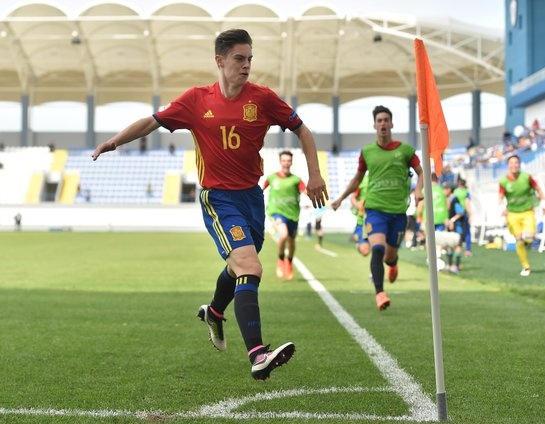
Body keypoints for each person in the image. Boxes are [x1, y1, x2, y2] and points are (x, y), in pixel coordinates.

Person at [92, 29, 328, 381]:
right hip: (218, 199)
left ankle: (216, 312)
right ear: (220, 61)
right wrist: (114, 141)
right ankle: (258, 354)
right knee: (251, 264)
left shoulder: (262, 99)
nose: (246, 66)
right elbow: (151, 122)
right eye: (239, 59)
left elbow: (303, 130)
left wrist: (315, 175)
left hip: (251, 198)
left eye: (249, 59)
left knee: (239, 267)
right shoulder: (195, 100)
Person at [331, 105, 423, 311]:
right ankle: (380, 293)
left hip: (398, 212)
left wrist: (418, 190)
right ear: (374, 125)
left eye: (386, 120)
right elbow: (357, 179)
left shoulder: (405, 150)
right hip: (374, 210)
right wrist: (341, 198)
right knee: (377, 249)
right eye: (379, 120)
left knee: (389, 255)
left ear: (392, 124)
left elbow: (421, 172)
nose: (382, 124)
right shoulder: (367, 152)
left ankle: (393, 263)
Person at [498, 155, 545, 277]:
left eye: (516, 163)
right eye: (511, 163)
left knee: (530, 237)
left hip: (527, 211)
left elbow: (538, 190)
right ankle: (526, 267)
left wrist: (544, 204)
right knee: (519, 239)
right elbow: (500, 197)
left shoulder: (526, 177)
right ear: (508, 165)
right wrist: (502, 208)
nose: (514, 165)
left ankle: (526, 243)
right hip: (512, 214)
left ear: (519, 164)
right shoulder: (503, 181)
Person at [263, 150, 306, 281]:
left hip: (293, 215)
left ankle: (289, 262)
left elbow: (306, 191)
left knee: (291, 242)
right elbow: (259, 190)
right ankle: (281, 260)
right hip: (276, 212)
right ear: (280, 162)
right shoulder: (271, 178)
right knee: (283, 234)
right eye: (284, 160)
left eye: (288, 161)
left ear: (291, 162)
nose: (286, 163)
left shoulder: (296, 180)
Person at [350, 173, 370, 256]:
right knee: (365, 249)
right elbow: (353, 197)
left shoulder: (382, 180)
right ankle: (360, 241)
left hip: (378, 218)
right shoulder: (362, 181)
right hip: (363, 221)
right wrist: (358, 205)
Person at [452, 177, 473, 255]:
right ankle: (468, 250)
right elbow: (467, 204)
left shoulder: (455, 191)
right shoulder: (466, 192)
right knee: (467, 232)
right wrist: (470, 215)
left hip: (456, 214)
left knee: (457, 231)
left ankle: (456, 247)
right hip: (464, 213)